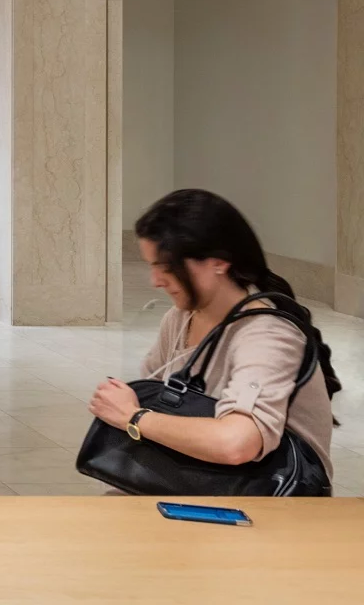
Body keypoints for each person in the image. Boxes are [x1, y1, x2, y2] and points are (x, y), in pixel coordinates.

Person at [87, 189, 337, 476]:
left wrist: (132, 416)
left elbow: (236, 444)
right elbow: (154, 397)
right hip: (198, 483)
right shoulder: (180, 318)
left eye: (167, 267)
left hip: (269, 505)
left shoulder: (268, 336)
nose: (155, 281)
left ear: (219, 261)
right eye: (152, 266)